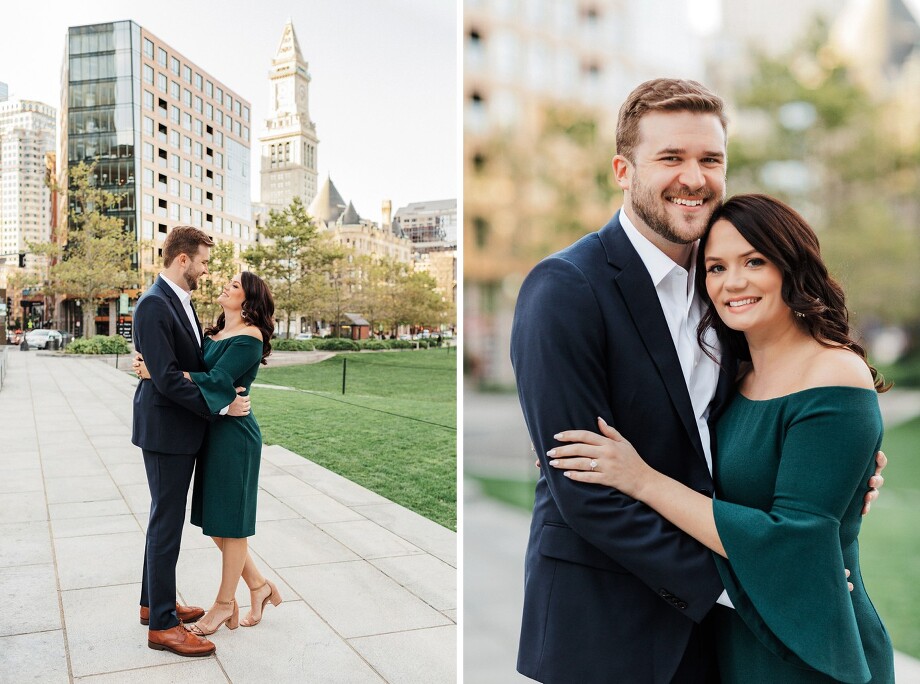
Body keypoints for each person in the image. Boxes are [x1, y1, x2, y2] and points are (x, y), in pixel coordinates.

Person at [510, 79, 886, 683]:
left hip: (722, 642)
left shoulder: (726, 292)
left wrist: (837, 469)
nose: (694, 177)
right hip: (608, 629)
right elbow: (584, 489)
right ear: (622, 169)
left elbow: (762, 425)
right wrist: (752, 580)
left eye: (710, 159)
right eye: (671, 158)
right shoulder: (565, 290)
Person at [136, 271, 282, 634]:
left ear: (247, 302)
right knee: (217, 523)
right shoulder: (214, 333)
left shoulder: (249, 338)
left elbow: (216, 382)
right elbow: (201, 370)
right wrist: (160, 368)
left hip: (235, 435)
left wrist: (160, 374)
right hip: (211, 430)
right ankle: (259, 586)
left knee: (230, 524)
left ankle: (223, 605)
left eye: (234, 286)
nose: (224, 285)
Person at [132, 226, 250, 657]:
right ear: (182, 260)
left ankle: (152, 604)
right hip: (166, 430)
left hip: (176, 428)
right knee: (166, 524)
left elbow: (186, 364)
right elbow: (165, 378)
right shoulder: (153, 304)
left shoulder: (178, 300)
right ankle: (162, 626)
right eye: (202, 262)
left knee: (163, 519)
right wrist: (219, 406)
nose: (205, 269)